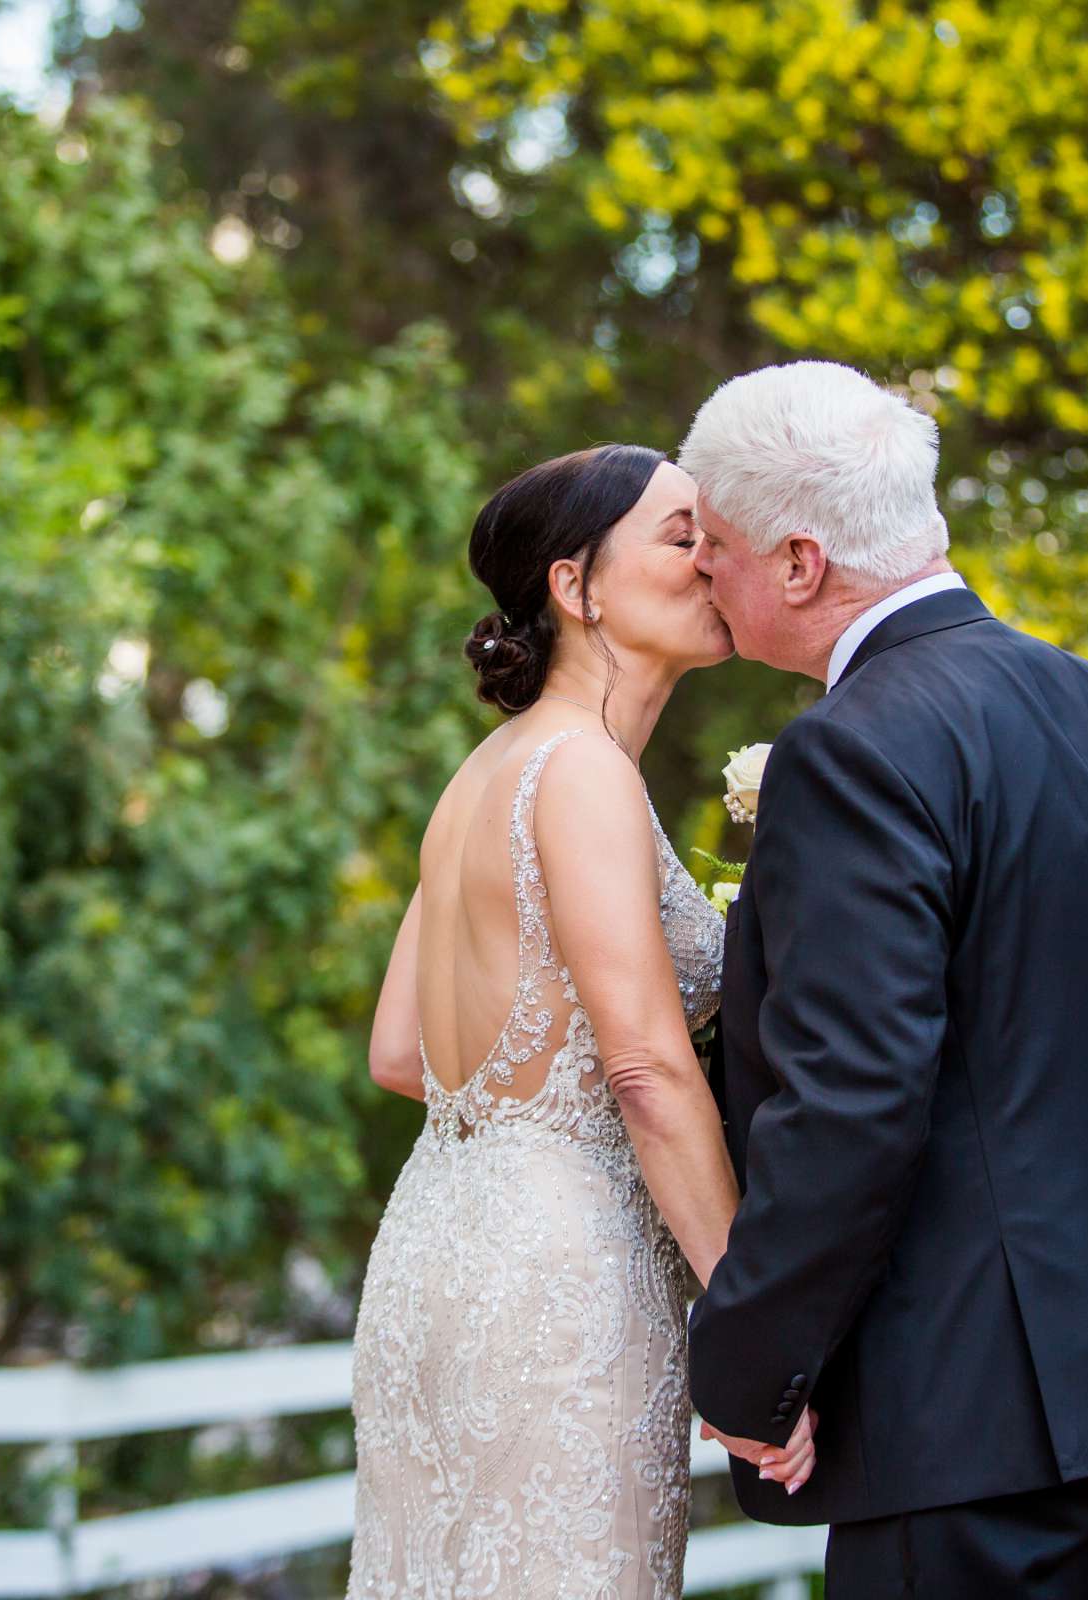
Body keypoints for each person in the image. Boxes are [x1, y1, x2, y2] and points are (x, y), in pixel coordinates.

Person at [680, 362, 1088, 1598]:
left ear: (799, 564)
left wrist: (751, 1363)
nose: (703, 572)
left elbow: (854, 1099)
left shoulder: (850, 752)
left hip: (976, 1419)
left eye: (720, 546)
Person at [346, 444, 813, 1600]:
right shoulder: (588, 774)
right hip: (564, 1277)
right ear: (575, 585)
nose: (711, 558)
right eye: (680, 535)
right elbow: (649, 1068)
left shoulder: (482, 775)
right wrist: (753, 1340)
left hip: (432, 1256)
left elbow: (401, 1053)